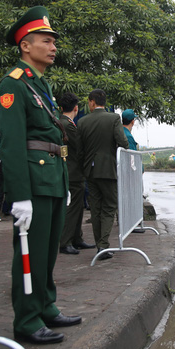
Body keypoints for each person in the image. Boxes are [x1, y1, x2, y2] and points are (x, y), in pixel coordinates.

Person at [0, 6, 80, 345]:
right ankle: (27, 321)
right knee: (29, 253)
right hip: (33, 181)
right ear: (25, 46)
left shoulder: (39, 85)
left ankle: (46, 306)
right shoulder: (12, 85)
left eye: (54, 41)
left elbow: (51, 138)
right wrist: (20, 195)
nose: (53, 46)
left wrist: (63, 183)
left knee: (47, 251)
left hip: (52, 179)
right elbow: (13, 145)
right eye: (46, 40)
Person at [77, 89, 128, 260]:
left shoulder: (82, 122)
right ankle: (103, 246)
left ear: (92, 102)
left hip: (90, 172)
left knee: (96, 209)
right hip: (108, 169)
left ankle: (100, 245)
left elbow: (79, 149)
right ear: (103, 102)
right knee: (109, 207)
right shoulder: (113, 118)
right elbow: (123, 142)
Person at [58, 92, 96, 255]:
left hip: (70, 171)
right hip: (73, 172)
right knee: (73, 208)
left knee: (77, 207)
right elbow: (79, 148)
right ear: (76, 107)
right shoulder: (68, 125)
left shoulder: (60, 122)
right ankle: (66, 241)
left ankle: (76, 238)